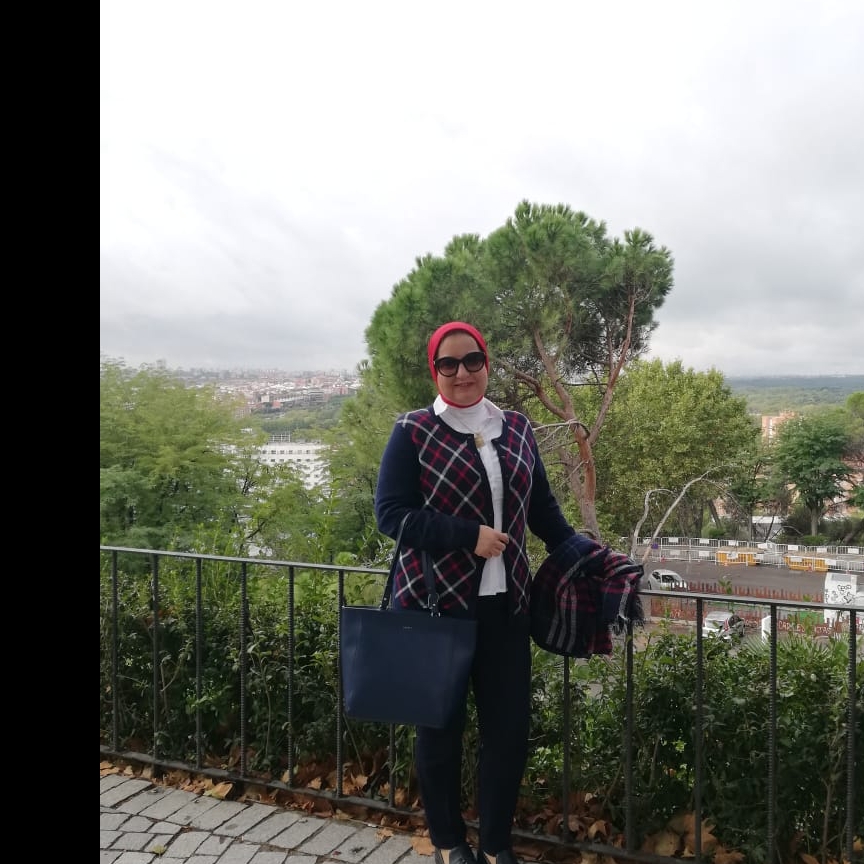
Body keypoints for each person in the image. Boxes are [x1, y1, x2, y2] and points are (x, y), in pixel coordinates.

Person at [374, 321, 577, 864]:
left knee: (508, 733)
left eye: (472, 360)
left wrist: (583, 552)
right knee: (439, 731)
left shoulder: (517, 428)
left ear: (486, 363)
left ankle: (495, 845)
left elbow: (542, 509)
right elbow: (391, 515)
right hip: (437, 607)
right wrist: (469, 536)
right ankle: (448, 841)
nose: (461, 372)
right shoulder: (413, 431)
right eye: (448, 363)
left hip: (507, 606)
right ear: (434, 370)